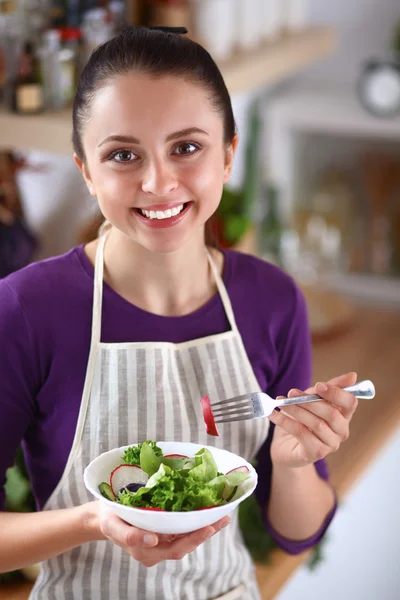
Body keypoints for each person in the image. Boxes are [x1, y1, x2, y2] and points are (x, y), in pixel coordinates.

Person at [0, 26, 359, 600]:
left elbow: (297, 533)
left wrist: (295, 462)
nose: (157, 182)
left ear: (228, 155)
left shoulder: (271, 300)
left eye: (186, 147)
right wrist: (92, 521)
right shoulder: (26, 308)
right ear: (86, 171)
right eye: (122, 154)